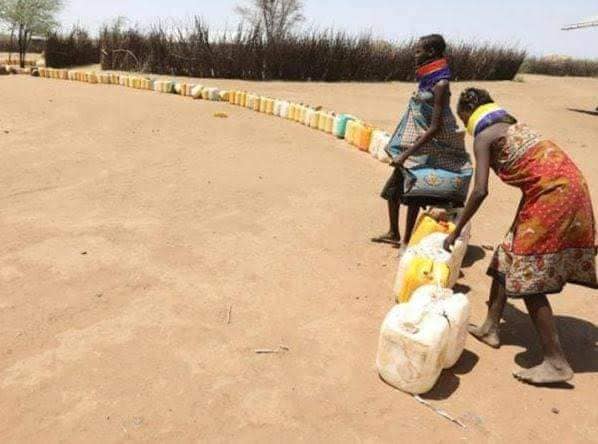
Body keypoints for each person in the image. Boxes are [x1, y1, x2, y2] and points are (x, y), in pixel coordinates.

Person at [444, 87, 597, 385]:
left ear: (467, 116)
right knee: (507, 253)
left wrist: (456, 228)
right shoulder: (512, 126)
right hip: (569, 186)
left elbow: (480, 190)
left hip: (553, 196)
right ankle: (491, 327)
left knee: (527, 276)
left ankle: (555, 362)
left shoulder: (483, 137)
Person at [372, 34, 470, 247]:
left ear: (432, 52)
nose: (415, 55)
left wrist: (406, 154)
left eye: (419, 51)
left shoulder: (441, 84)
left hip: (433, 146)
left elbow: (435, 128)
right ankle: (393, 232)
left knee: (414, 195)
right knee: (392, 191)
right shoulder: (427, 80)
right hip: (418, 142)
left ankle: (407, 241)